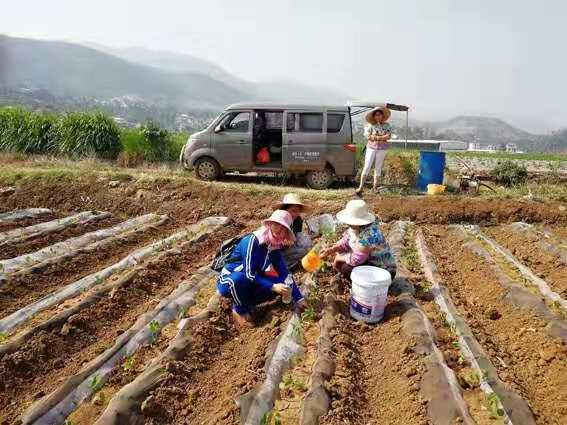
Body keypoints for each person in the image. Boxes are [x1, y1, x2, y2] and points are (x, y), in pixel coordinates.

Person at [217, 210, 307, 327]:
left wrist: (299, 298)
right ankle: (239, 309)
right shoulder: (252, 241)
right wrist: (273, 286)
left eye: (283, 228)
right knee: (239, 279)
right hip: (230, 280)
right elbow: (249, 273)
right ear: (269, 224)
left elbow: (284, 272)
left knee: (282, 284)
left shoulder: (274, 246)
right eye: (276, 224)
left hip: (251, 281)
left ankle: (248, 304)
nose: (279, 229)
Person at [321, 199, 396, 280]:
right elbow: (346, 241)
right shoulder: (356, 228)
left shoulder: (368, 236)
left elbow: (356, 260)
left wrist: (339, 258)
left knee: (346, 269)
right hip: (369, 261)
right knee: (344, 255)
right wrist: (332, 249)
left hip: (383, 271)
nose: (347, 223)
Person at [356, 106, 392, 196]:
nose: (378, 116)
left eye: (379, 115)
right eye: (376, 115)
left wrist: (375, 137)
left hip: (382, 149)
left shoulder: (387, 125)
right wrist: (380, 137)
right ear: (374, 116)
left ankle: (375, 188)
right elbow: (368, 136)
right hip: (371, 148)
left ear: (382, 116)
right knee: (367, 166)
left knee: (378, 168)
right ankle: (361, 187)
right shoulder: (370, 125)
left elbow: (388, 136)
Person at [277, 193, 313, 267]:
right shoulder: (278, 220)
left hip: (288, 246)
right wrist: (281, 243)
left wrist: (291, 241)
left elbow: (296, 235)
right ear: (284, 209)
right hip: (275, 249)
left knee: (306, 244)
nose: (295, 214)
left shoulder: (298, 220)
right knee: (303, 250)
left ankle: (286, 262)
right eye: (293, 210)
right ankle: (280, 264)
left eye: (298, 211)